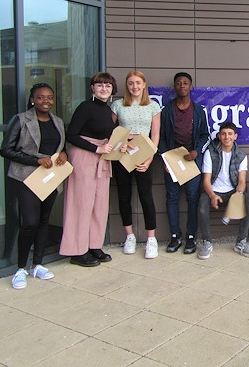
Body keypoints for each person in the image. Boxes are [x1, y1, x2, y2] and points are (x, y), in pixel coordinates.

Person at [0, 83, 67, 288]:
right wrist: (34, 160)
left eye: (49, 97)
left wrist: (64, 154)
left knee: (44, 221)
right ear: (32, 100)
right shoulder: (21, 120)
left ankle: (37, 264)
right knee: (29, 222)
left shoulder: (58, 121)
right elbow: (5, 150)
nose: (45, 101)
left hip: (50, 177)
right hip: (27, 177)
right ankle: (20, 268)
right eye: (40, 97)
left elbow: (60, 147)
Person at [60, 73, 117, 267]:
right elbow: (71, 135)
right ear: (92, 88)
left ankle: (94, 245)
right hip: (84, 157)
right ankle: (76, 250)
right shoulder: (85, 107)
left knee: (99, 205)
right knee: (81, 204)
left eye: (108, 86)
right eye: (99, 85)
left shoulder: (108, 110)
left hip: (102, 159)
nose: (103, 88)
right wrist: (96, 148)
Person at [111, 71, 161, 259]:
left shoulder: (152, 107)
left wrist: (149, 159)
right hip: (124, 153)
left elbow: (155, 136)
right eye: (131, 83)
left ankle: (151, 239)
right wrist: (119, 143)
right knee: (124, 196)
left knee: (146, 196)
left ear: (144, 84)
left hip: (143, 152)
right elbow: (110, 132)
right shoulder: (118, 105)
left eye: (138, 83)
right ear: (127, 85)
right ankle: (129, 236)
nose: (135, 86)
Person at [159, 72, 210, 255]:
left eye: (185, 83)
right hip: (172, 160)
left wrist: (196, 151)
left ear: (191, 87)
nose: (182, 86)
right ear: (175, 87)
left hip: (192, 161)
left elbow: (206, 135)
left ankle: (190, 236)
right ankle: (175, 236)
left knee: (192, 198)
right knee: (172, 198)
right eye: (179, 83)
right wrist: (166, 158)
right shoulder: (166, 110)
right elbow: (161, 137)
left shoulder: (198, 110)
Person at [197, 122, 249, 259]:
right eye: (223, 134)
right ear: (219, 136)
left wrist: (237, 195)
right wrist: (212, 195)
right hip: (212, 190)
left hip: (232, 192)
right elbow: (206, 180)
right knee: (202, 207)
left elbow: (241, 181)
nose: (226, 137)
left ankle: (241, 242)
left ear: (235, 136)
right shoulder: (210, 152)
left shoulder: (241, 155)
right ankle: (207, 243)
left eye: (230, 134)